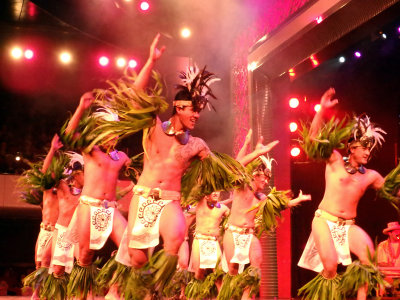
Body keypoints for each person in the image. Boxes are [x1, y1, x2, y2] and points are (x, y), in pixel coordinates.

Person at [297, 88, 398, 299]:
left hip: (348, 226)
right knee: (331, 267)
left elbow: (394, 192)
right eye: (363, 148)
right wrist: (321, 110)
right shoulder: (334, 160)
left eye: (370, 149)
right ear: (351, 147)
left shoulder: (371, 176)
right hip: (324, 220)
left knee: (368, 258)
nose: (367, 152)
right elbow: (313, 140)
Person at [219, 132, 311, 300]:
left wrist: (298, 199)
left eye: (268, 178)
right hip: (232, 233)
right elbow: (237, 165)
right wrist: (255, 152)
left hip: (250, 236)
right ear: (255, 174)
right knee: (232, 270)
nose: (267, 181)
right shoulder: (242, 187)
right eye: (264, 177)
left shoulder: (262, 198)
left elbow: (281, 204)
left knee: (255, 269)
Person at [23, 134, 64, 300]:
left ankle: (44, 294)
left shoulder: (63, 190)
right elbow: (43, 171)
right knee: (39, 264)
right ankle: (39, 292)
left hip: (56, 231)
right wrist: (52, 149)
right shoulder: (47, 189)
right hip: (43, 230)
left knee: (50, 264)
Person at [42, 152, 84, 299]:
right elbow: (45, 174)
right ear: (76, 174)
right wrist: (52, 150)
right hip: (61, 231)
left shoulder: (88, 192)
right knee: (58, 270)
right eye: (82, 173)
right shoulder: (62, 186)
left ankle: (82, 295)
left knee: (83, 265)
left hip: (79, 233)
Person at [377, 221, 400, 296]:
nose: (399, 233)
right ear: (390, 233)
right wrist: (387, 265)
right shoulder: (382, 245)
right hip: (388, 274)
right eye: (396, 232)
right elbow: (380, 263)